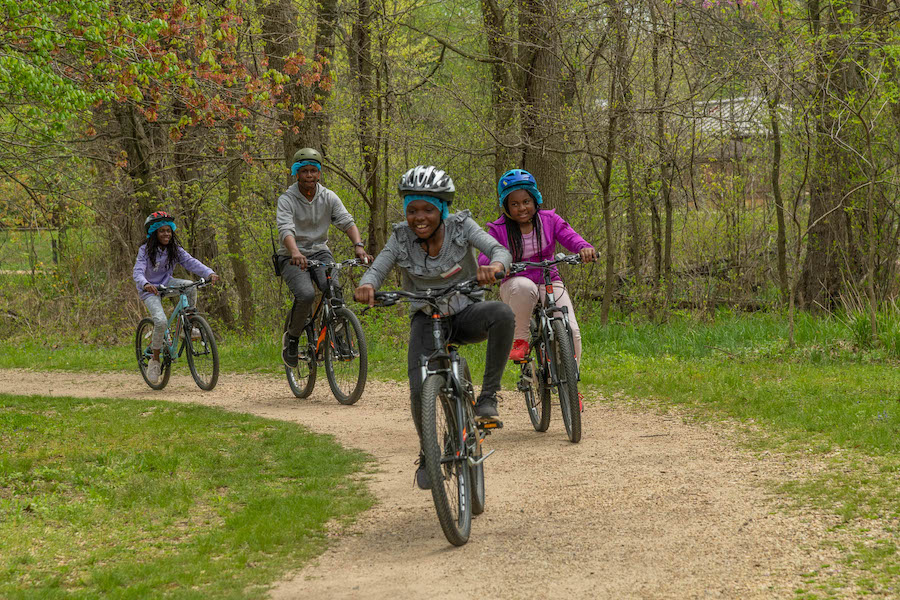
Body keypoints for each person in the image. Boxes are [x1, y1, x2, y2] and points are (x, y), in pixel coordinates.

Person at [354, 165, 514, 489]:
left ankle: (487, 398)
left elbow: (498, 250)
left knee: (502, 314)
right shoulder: (400, 237)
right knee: (418, 388)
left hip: (465, 312)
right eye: (412, 210)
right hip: (426, 318)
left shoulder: (460, 226)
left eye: (428, 209)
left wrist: (495, 265)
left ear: (442, 208)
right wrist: (367, 285)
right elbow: (379, 267)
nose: (419, 217)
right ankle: (429, 452)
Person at [478, 169, 597, 363]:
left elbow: (571, 237)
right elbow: (485, 255)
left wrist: (584, 248)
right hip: (516, 285)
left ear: (535, 200)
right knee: (525, 287)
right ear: (506, 206)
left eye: (526, 201)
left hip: (549, 279)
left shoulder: (550, 220)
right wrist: (495, 266)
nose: (522, 208)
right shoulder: (498, 229)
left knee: (572, 330)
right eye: (514, 204)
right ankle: (520, 341)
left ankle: (571, 385)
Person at [276, 147, 372, 368]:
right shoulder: (287, 199)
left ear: (319, 173)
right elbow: (285, 230)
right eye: (304, 171)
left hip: (319, 251)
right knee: (307, 295)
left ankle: (339, 339)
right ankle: (292, 338)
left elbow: (347, 221)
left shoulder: (328, 197)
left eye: (313, 171)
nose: (309, 175)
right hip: (292, 255)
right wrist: (295, 252)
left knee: (334, 292)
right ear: (296, 174)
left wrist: (358, 246)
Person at [133, 211, 219, 384]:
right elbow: (138, 271)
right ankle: (155, 361)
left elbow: (191, 262)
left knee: (189, 286)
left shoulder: (174, 250)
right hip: (150, 289)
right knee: (161, 321)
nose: (166, 234)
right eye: (162, 231)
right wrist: (145, 284)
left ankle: (185, 326)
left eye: (169, 231)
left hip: (167, 283)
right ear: (154, 233)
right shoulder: (145, 251)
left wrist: (209, 272)